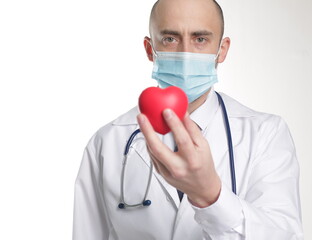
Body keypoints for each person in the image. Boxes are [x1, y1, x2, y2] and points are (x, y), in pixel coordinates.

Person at [73, 0, 303, 239]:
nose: (185, 54)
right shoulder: (107, 142)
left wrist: (210, 195)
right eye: (170, 39)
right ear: (150, 49)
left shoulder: (266, 134)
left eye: (200, 39)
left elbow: (284, 234)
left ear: (221, 50)